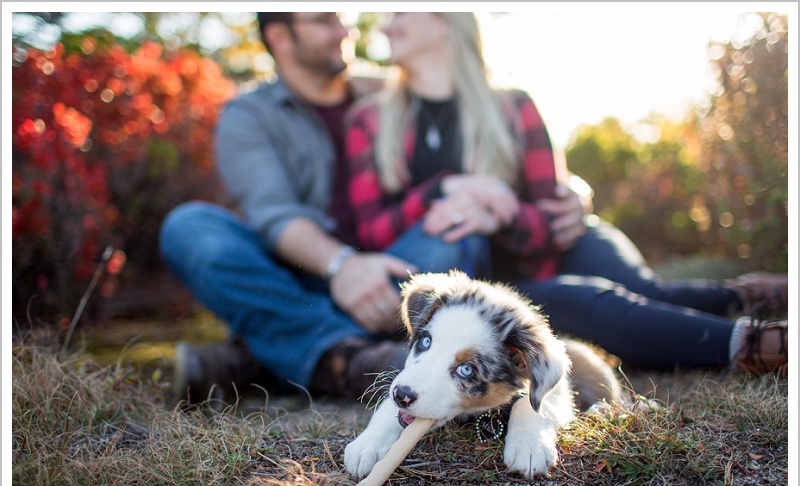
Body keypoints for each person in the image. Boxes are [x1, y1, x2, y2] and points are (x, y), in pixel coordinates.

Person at [158, 11, 595, 406]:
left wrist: (571, 188)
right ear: (281, 36)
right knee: (190, 227)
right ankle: (348, 358)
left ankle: (266, 355)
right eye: (325, 20)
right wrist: (342, 266)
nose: (345, 29)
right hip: (297, 277)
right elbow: (276, 217)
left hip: (395, 271)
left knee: (449, 239)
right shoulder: (249, 115)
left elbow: (481, 135)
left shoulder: (387, 89)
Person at [344, 12, 788, 377]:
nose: (385, 26)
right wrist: (443, 190)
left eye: (400, 12)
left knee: (642, 290)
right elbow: (370, 232)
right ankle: (756, 344)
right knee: (591, 300)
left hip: (545, 247)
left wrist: (502, 215)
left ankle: (751, 295)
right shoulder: (371, 119)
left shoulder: (513, 106)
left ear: (443, 20)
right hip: (487, 281)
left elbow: (554, 218)